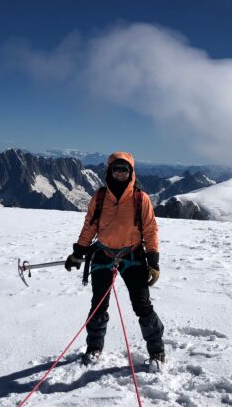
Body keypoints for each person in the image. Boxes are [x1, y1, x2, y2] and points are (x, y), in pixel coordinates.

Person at [65, 152, 165, 366]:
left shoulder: (140, 199)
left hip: (133, 256)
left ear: (131, 172)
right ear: (109, 171)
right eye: (116, 169)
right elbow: (89, 226)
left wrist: (153, 261)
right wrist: (79, 252)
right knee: (98, 305)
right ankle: (94, 348)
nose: (120, 173)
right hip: (103, 255)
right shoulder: (100, 198)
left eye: (124, 169)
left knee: (142, 305)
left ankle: (157, 351)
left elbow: (150, 230)